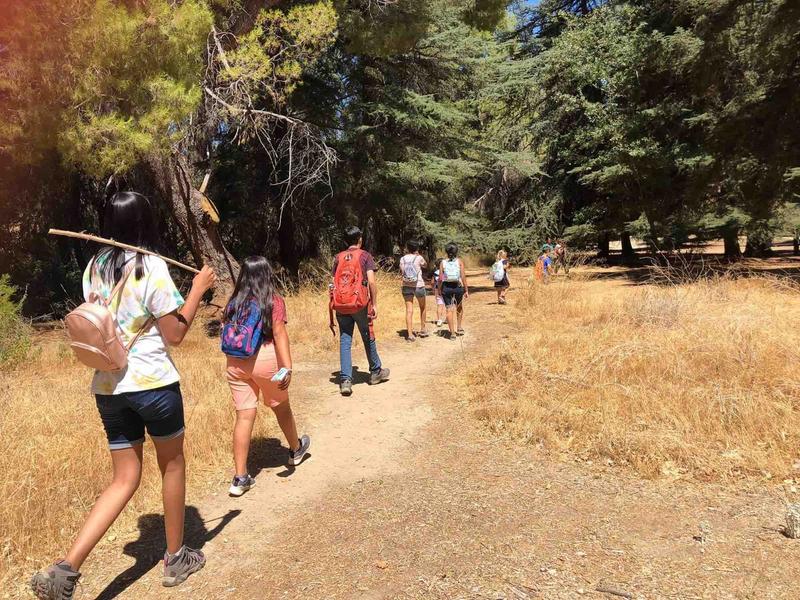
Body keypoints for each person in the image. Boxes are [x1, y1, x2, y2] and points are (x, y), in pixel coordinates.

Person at [30, 192, 217, 600]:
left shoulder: (93, 268)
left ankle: (66, 569)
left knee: (124, 478)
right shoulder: (150, 266)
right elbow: (177, 334)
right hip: (152, 383)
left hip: (108, 387)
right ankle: (175, 558)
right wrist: (199, 288)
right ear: (144, 224)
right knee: (172, 465)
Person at [222, 256, 311, 498]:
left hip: (235, 363)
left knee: (243, 417)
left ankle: (240, 477)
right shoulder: (273, 301)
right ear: (266, 274)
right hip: (264, 359)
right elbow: (279, 333)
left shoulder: (234, 301)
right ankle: (295, 449)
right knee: (282, 407)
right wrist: (287, 367)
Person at [330, 226, 390, 396]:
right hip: (359, 303)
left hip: (341, 303)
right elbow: (371, 282)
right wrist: (374, 303)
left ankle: (346, 381)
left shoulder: (338, 257)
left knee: (345, 340)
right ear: (360, 239)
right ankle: (375, 371)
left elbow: (334, 281)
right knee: (367, 335)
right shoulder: (365, 256)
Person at [438, 242, 469, 339]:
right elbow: (463, 277)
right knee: (459, 306)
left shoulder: (442, 263)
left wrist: (439, 289)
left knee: (449, 309)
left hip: (446, 287)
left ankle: (452, 334)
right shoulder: (459, 262)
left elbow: (440, 278)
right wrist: (466, 289)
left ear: (446, 252)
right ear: (456, 251)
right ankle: (459, 327)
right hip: (458, 287)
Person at [399, 239, 428, 341]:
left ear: (407, 248)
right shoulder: (419, 257)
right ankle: (423, 329)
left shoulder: (402, 259)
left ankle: (410, 334)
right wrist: (418, 255)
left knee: (409, 310)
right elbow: (425, 265)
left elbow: (402, 271)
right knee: (422, 307)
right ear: (417, 248)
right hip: (418, 285)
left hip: (406, 285)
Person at [431, 258, 446, 327]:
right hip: (447, 289)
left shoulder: (435, 273)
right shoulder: (446, 271)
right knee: (448, 305)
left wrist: (433, 289)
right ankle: (448, 318)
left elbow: (432, 282)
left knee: (440, 305)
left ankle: (439, 320)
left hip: (438, 289)